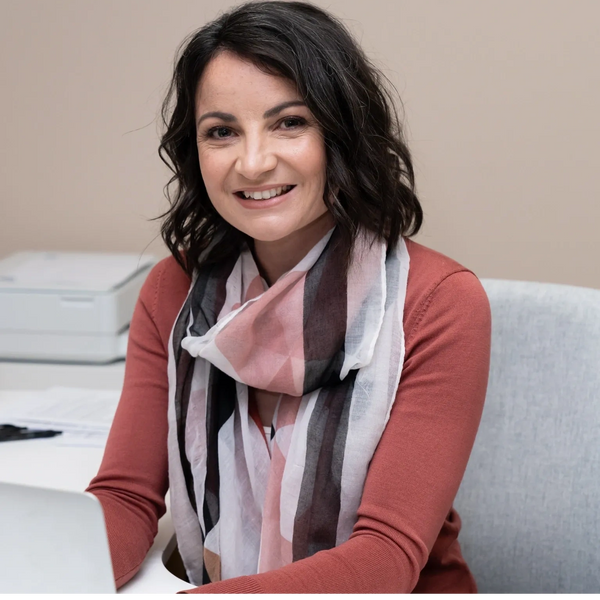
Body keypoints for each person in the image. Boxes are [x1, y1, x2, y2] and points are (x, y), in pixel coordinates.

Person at [86, 1, 492, 596]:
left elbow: (384, 559)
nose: (253, 162)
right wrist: (42, 563)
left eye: (289, 122)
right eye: (221, 132)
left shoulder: (437, 304)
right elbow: (124, 496)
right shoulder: (171, 292)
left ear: (341, 133)